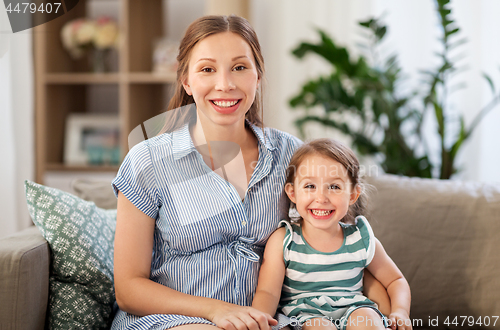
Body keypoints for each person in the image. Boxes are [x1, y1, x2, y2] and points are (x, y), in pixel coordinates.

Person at [112, 15, 389, 330]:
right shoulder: (147, 161)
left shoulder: (292, 156)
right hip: (171, 320)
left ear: (258, 76)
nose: (225, 84)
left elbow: (341, 247)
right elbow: (128, 288)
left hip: (268, 321)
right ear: (187, 81)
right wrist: (217, 312)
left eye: (240, 67)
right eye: (207, 69)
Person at [252, 139, 412, 330]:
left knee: (367, 319)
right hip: (305, 315)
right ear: (292, 193)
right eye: (310, 186)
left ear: (352, 195)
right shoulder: (284, 240)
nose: (321, 198)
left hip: (354, 308)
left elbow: (396, 280)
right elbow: (267, 292)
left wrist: (400, 311)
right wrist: (259, 319)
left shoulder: (361, 238)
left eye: (334, 187)